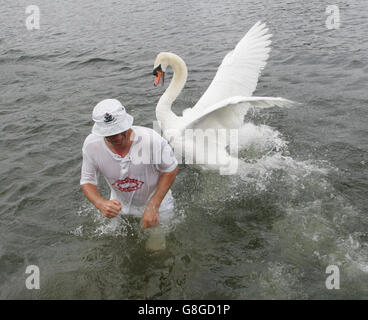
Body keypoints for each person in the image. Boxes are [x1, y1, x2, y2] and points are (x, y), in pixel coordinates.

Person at [80, 99, 178, 248]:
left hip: (157, 203)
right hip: (119, 205)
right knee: (116, 246)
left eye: (121, 131)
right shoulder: (91, 146)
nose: (118, 138)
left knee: (156, 251)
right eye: (111, 135)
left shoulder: (151, 140)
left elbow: (170, 169)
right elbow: (87, 180)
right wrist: (100, 203)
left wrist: (153, 205)